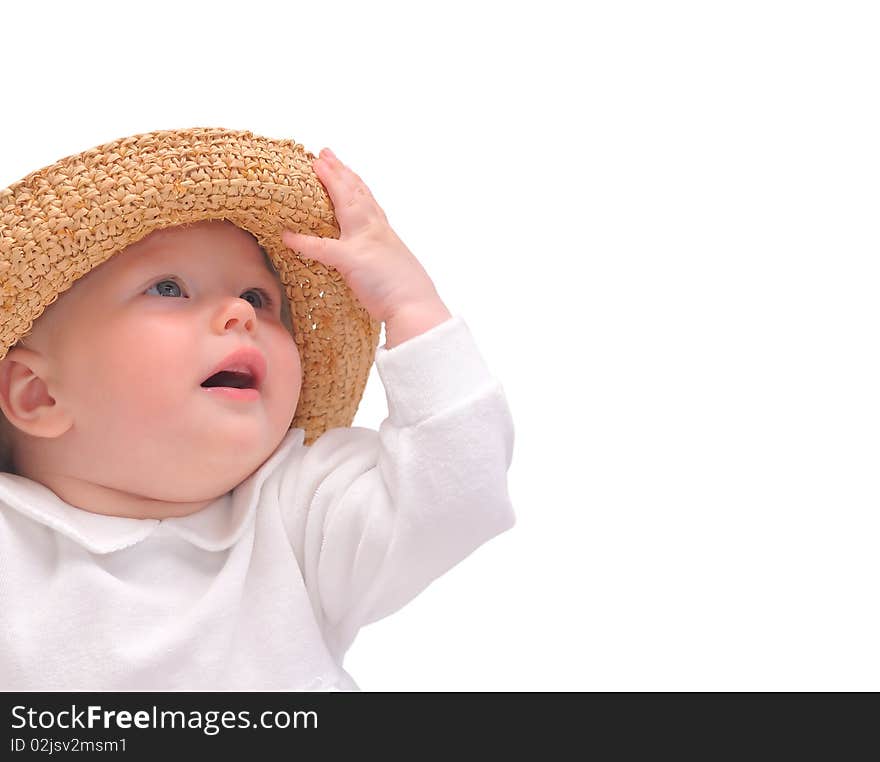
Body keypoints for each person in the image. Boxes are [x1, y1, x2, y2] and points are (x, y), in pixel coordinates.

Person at [0, 128, 515, 690]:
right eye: (169, 288)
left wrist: (412, 306)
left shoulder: (299, 511)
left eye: (258, 298)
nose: (237, 314)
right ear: (38, 395)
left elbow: (456, 492)